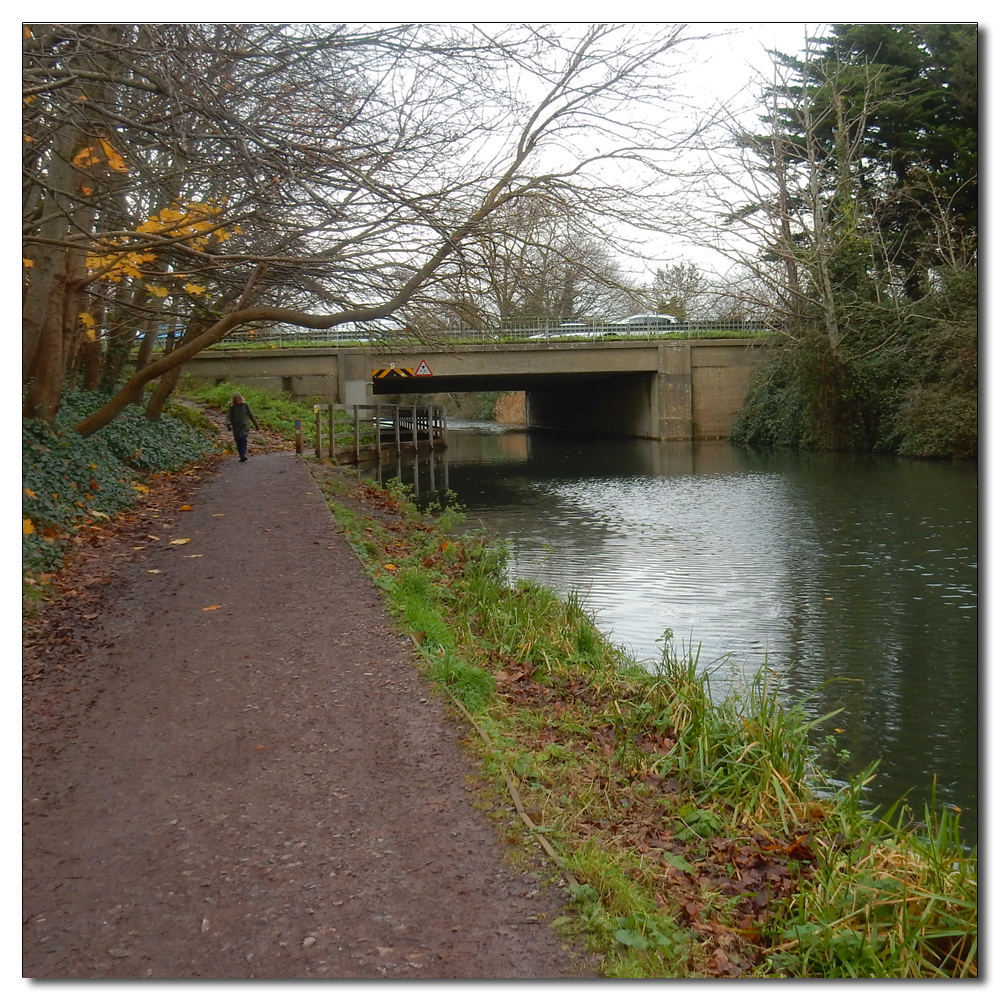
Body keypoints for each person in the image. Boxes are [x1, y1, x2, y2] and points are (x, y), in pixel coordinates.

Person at [226, 392, 260, 462]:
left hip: (245, 425)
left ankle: (244, 454)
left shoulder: (245, 405)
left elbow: (251, 415)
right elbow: (229, 417)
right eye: (236, 400)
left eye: (238, 399)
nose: (237, 401)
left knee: (243, 438)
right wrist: (228, 424)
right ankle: (241, 455)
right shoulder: (232, 408)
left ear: (241, 399)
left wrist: (256, 425)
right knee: (238, 440)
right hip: (236, 427)